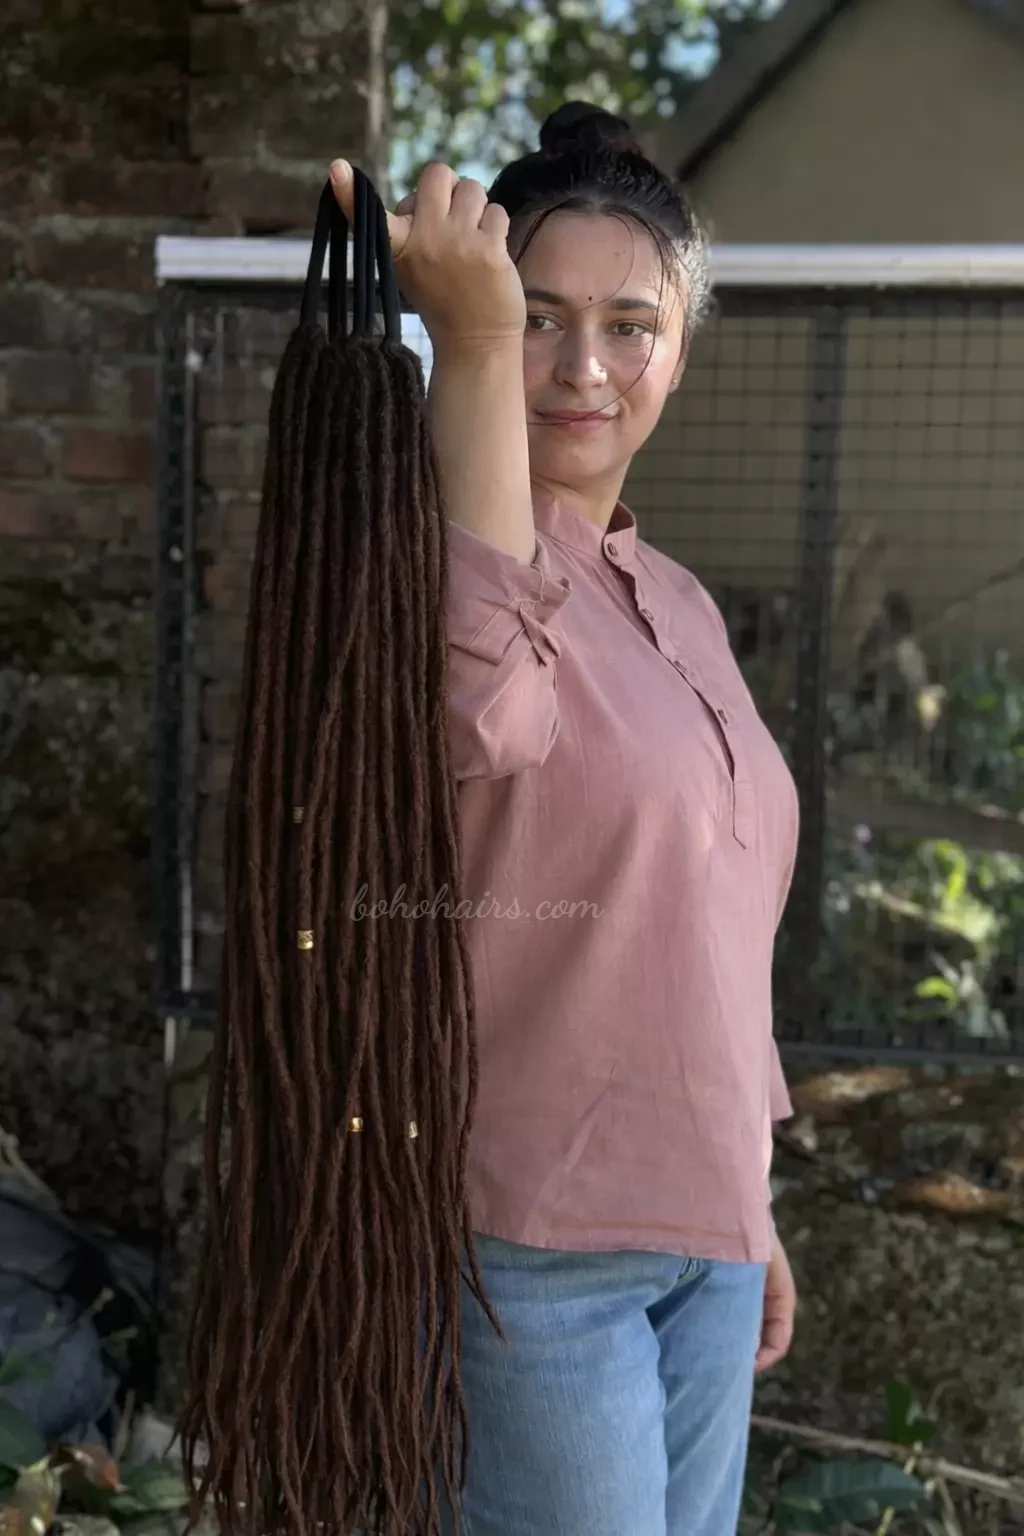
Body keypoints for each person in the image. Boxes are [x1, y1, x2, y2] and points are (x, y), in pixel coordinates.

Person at [328, 100, 799, 1536]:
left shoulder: (682, 603)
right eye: (537, 319)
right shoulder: (432, 572)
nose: (586, 368)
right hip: (531, 1248)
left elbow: (713, 929)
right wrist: (461, 347)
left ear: (679, 348)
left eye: (629, 324)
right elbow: (486, 718)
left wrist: (755, 1200)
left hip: (708, 1243)